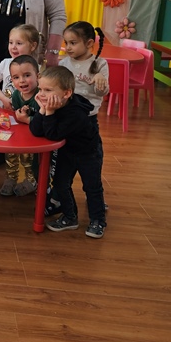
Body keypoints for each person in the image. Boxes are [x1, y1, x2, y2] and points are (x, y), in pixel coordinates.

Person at [30, 66, 106, 239]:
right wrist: (42, 110)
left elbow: (53, 134)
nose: (42, 94)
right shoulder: (52, 104)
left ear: (66, 93)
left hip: (88, 153)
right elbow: (36, 130)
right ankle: (70, 217)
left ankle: (98, 220)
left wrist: (49, 112)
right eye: (40, 89)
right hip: (67, 152)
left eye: (48, 90)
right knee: (60, 184)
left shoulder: (76, 113)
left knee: (92, 187)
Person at [0, 54, 40, 197]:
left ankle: (32, 180)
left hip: (35, 137)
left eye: (27, 75)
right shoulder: (16, 95)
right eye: (16, 77)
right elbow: (15, 116)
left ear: (38, 76)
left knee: (28, 158)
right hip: (19, 133)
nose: (22, 81)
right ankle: (11, 178)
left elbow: (43, 121)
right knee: (10, 152)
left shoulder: (41, 95)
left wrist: (27, 118)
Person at [0, 23, 41, 110]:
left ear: (33, 46)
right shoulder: (5, 63)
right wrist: (3, 98)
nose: (13, 47)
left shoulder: (38, 68)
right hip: (4, 111)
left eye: (19, 43)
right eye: (11, 42)